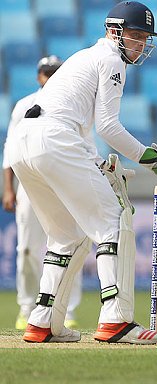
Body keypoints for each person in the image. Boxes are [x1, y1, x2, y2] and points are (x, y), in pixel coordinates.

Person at [6, 1, 157, 344]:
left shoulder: (83, 57)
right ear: (114, 31)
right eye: (135, 36)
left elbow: (78, 127)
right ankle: (117, 320)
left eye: (144, 38)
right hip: (54, 140)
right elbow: (108, 126)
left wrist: (97, 163)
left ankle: (43, 321)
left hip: (26, 143)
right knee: (114, 221)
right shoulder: (110, 59)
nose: (139, 45)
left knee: (66, 236)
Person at [2, 55, 85, 331]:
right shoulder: (24, 105)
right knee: (26, 248)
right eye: (46, 72)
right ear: (38, 76)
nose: (50, 76)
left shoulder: (74, 104)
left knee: (69, 245)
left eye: (55, 72)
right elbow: (10, 148)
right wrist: (8, 189)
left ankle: (66, 308)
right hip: (28, 184)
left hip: (64, 182)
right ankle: (27, 307)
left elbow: (84, 146)